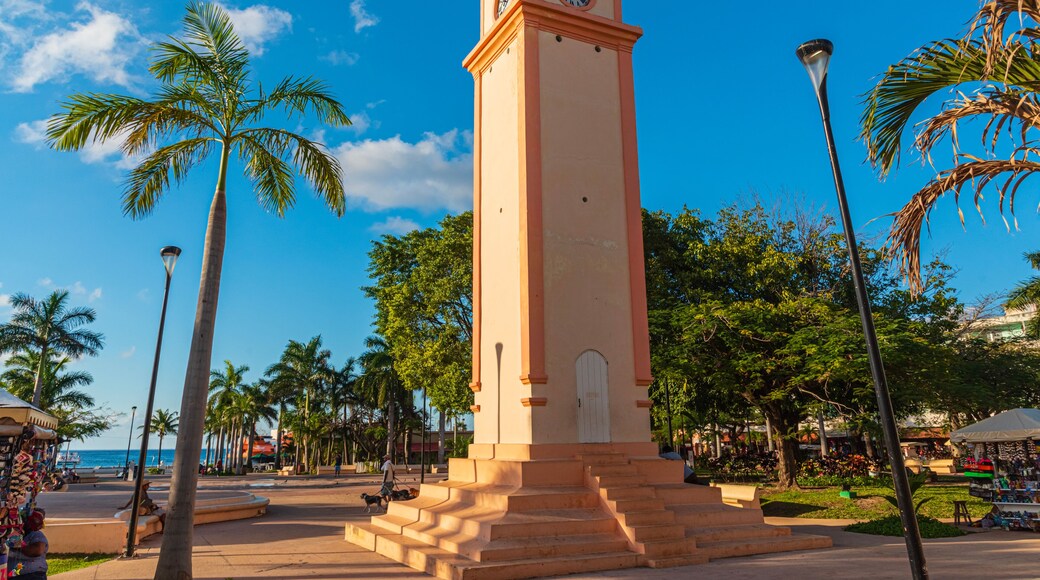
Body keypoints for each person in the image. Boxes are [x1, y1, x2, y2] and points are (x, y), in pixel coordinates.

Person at [9, 509, 48, 579]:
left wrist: (19, 544)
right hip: (14, 574)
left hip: (31, 575)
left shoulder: (36, 534)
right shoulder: (13, 535)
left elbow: (38, 550)